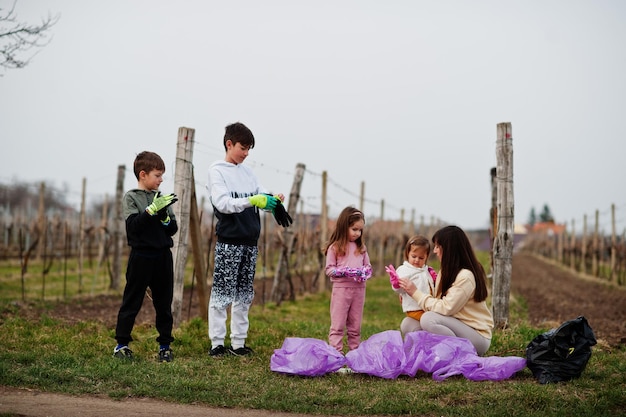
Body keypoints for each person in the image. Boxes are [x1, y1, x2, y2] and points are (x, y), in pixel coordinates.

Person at [207, 122, 289, 357]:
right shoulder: (217, 171)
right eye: (243, 148)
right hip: (229, 242)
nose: (246, 153)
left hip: (250, 243)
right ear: (229, 144)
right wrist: (252, 200)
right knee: (222, 293)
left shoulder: (248, 172)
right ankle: (217, 343)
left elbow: (261, 195)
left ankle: (238, 343)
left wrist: (272, 199)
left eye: (249, 149)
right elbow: (223, 203)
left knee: (244, 294)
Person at [113, 151, 179, 362]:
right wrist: (150, 211)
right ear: (143, 175)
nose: (161, 180)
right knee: (131, 301)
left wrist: (164, 216)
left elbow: (172, 229)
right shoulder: (131, 198)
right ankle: (122, 345)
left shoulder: (162, 198)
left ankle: (165, 346)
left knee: (163, 303)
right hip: (141, 256)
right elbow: (133, 227)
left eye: (162, 176)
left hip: (162, 257)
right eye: (158, 175)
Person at [394, 225, 494, 356]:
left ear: (448, 249)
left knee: (428, 319)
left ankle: (454, 354)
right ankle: (432, 353)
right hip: (455, 325)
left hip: (476, 336)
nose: (434, 251)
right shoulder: (446, 271)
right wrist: (410, 297)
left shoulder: (465, 276)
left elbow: (446, 308)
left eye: (437, 246)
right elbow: (436, 302)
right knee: (407, 324)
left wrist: (415, 292)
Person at [324, 206, 373, 352]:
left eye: (360, 230)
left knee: (355, 325)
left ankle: (355, 355)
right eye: (354, 229)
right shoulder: (335, 248)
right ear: (344, 226)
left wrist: (364, 272)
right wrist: (344, 272)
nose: (357, 233)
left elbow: (368, 267)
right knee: (338, 324)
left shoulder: (361, 248)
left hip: (359, 290)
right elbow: (329, 269)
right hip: (341, 290)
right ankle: (336, 355)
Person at [386, 235, 438, 336]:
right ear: (407, 254)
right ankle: (431, 335)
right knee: (430, 320)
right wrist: (396, 284)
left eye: (421, 258)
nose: (417, 260)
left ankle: (427, 336)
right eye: (414, 256)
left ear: (427, 257)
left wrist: (433, 279)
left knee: (431, 319)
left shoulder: (425, 269)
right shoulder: (404, 270)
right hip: (415, 308)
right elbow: (400, 290)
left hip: (426, 305)